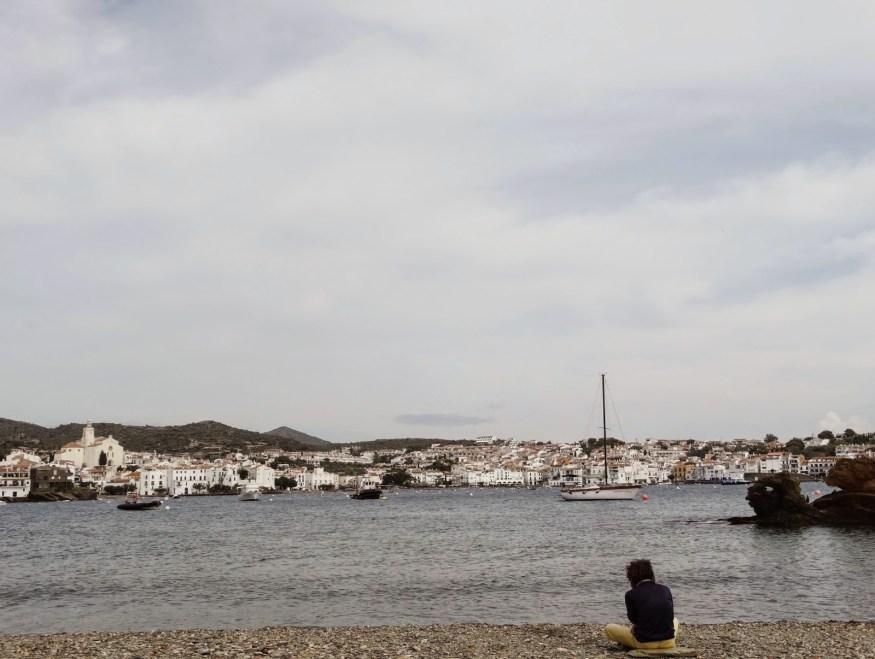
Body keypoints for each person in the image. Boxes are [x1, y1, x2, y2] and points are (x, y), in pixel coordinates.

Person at [604, 559, 680, 650]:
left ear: (632, 578)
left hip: (645, 643)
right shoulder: (665, 589)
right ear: (651, 574)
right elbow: (667, 613)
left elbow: (634, 619)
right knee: (675, 620)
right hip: (668, 642)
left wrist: (636, 627)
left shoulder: (631, 594)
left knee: (609, 628)